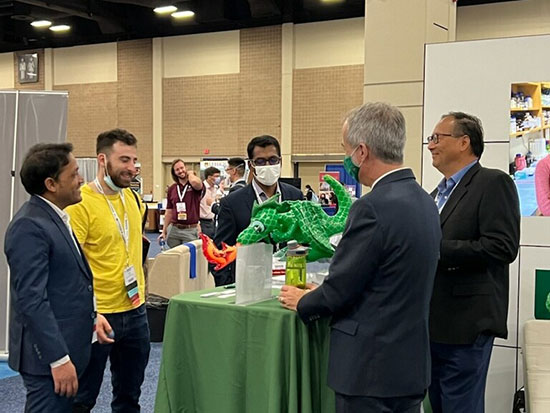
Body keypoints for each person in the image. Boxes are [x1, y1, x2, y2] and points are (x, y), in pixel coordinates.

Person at [279, 102, 442, 413]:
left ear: (362, 151)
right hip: (410, 366)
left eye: (346, 149)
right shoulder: (424, 200)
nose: (346, 157)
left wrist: (303, 301)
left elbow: (341, 288)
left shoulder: (371, 207)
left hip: (370, 371)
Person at [427, 112, 520, 413]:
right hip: (432, 325)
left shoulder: (493, 183)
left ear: (464, 142)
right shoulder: (434, 195)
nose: (431, 145)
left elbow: (502, 247)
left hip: (467, 324)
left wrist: (438, 250)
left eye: (437, 138)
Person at [4, 143, 99, 412]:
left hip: (69, 348)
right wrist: (57, 359)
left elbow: (65, 283)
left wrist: (94, 315)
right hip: (48, 360)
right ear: (51, 184)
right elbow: (31, 300)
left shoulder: (55, 218)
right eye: (74, 174)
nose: (81, 180)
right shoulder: (30, 226)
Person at [67, 129, 149, 413]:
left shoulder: (134, 200)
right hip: (97, 315)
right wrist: (89, 312)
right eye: (124, 160)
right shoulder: (81, 203)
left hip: (136, 310)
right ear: (103, 160)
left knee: (129, 396)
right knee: (82, 398)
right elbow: (71, 266)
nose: (132, 167)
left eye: (135, 160)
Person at [213, 135, 303, 286]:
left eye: (273, 160)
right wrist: (227, 288)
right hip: (248, 286)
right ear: (251, 164)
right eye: (260, 161)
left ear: (280, 161)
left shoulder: (295, 196)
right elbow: (221, 252)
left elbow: (302, 240)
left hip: (288, 283)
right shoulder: (232, 203)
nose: (268, 165)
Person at [160, 159, 204, 247]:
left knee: (189, 259)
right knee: (175, 258)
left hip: (190, 230)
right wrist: (164, 230)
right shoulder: (172, 188)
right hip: (174, 229)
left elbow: (196, 182)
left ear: (185, 168)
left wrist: (191, 174)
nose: (180, 171)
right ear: (174, 173)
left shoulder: (194, 186)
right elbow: (169, 211)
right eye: (177, 170)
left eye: (182, 168)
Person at [199, 166, 221, 239]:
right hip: (202, 221)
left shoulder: (215, 188)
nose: (218, 178)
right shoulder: (201, 188)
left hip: (213, 221)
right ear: (209, 177)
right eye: (216, 176)